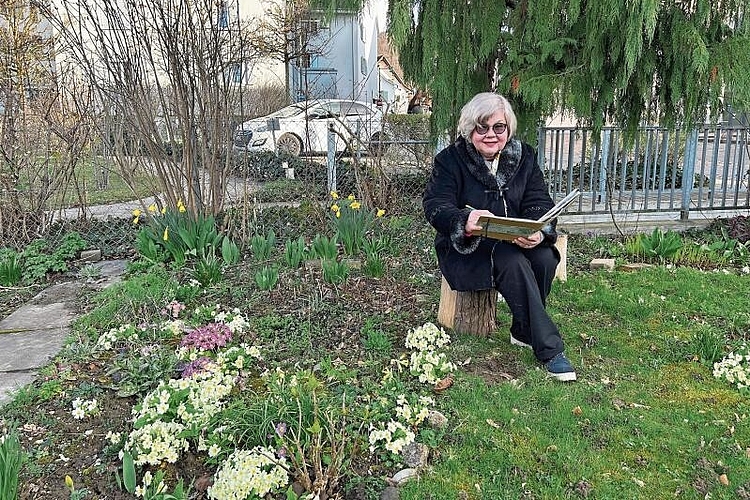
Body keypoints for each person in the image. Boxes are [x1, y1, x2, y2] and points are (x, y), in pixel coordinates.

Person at [422, 92, 576, 382]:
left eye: (498, 127)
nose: (491, 135)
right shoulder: (450, 160)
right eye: (482, 127)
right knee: (511, 261)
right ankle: (550, 349)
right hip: (470, 249)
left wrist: (537, 230)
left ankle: (522, 330)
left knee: (544, 257)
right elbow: (435, 205)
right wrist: (463, 221)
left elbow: (539, 201)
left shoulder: (524, 156)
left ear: (508, 129)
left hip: (514, 239)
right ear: (470, 129)